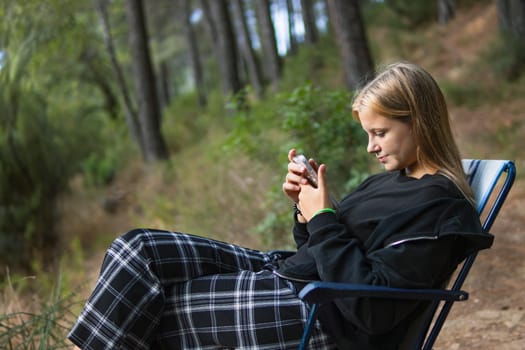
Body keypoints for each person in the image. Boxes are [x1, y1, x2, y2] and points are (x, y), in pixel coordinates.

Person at [68, 62, 493, 350]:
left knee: (157, 308)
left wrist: (325, 217)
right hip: (289, 271)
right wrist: (306, 210)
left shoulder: (440, 208)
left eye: (379, 132)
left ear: (417, 119)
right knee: (137, 247)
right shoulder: (390, 180)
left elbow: (373, 307)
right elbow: (323, 245)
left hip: (320, 311)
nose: (370, 146)